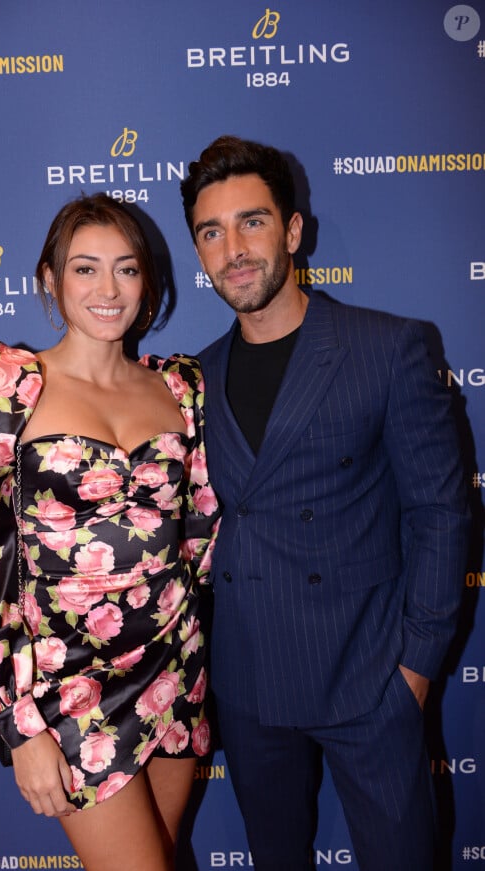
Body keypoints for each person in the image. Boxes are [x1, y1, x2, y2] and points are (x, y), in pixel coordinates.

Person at [179, 135, 470, 871]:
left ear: (294, 230)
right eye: (212, 232)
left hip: (368, 673)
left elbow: (439, 512)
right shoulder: (191, 380)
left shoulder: (388, 347)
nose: (234, 249)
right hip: (247, 684)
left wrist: (414, 670)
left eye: (252, 222)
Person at [0, 192, 220, 871]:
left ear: (148, 280)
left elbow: (199, 535)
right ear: (49, 279)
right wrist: (17, 727)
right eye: (85, 269)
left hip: (173, 671)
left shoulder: (182, 388)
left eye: (126, 268)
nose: (108, 289)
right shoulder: (3, 384)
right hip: (67, 690)